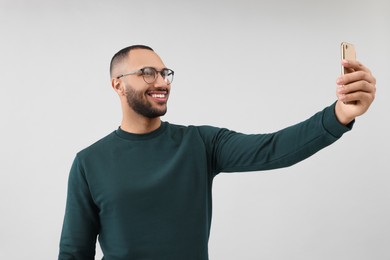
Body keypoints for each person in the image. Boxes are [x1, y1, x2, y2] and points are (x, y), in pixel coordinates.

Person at [58, 44, 376, 260]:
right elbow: (74, 251)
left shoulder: (200, 144)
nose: (161, 82)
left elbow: (275, 148)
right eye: (147, 73)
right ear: (117, 85)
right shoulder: (89, 162)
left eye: (165, 73)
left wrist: (340, 114)